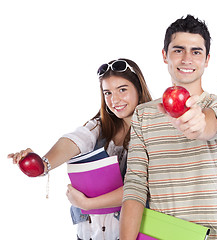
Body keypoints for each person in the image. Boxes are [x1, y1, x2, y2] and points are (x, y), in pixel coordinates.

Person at [119, 15, 217, 240]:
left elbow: (212, 124)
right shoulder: (144, 114)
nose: (187, 59)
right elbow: (135, 185)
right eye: (178, 50)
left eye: (196, 52)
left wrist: (199, 123)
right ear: (165, 55)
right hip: (160, 235)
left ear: (207, 59)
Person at [8, 58, 152, 240]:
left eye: (122, 89)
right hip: (90, 233)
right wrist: (43, 164)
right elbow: (73, 141)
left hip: (129, 233)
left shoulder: (154, 130)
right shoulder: (100, 126)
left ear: (139, 88)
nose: (114, 100)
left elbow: (141, 187)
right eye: (107, 92)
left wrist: (88, 204)